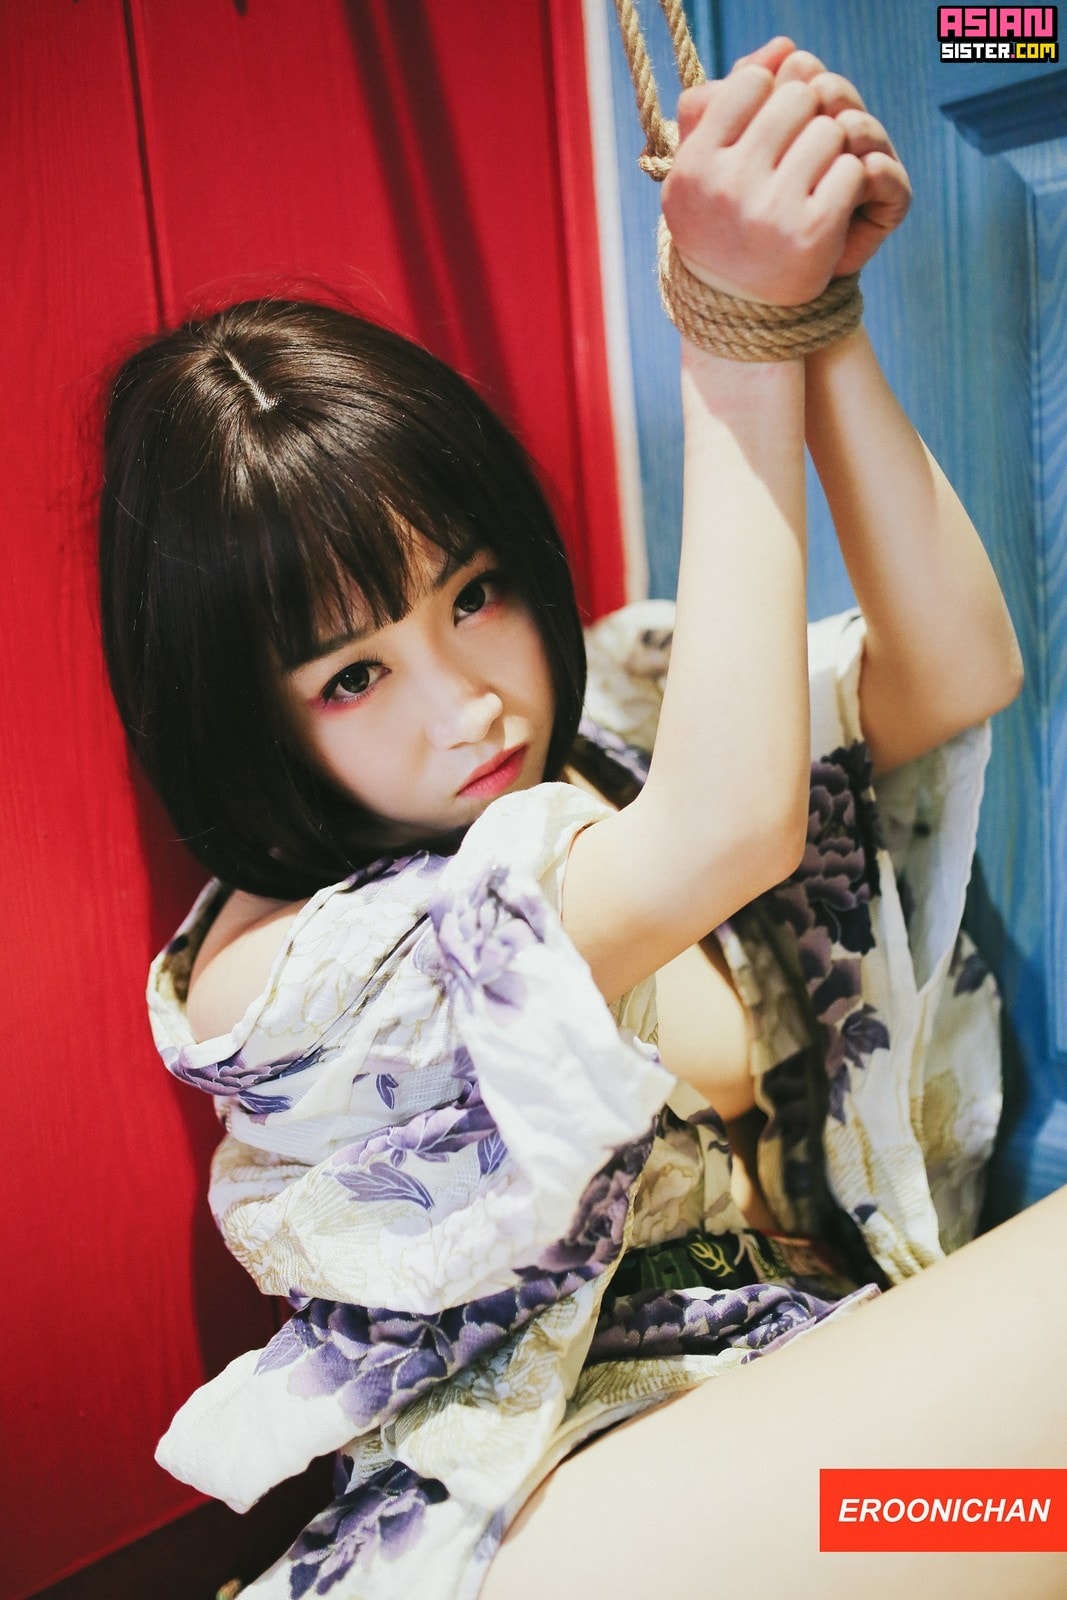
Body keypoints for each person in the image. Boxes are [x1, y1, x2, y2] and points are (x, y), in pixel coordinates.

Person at [97, 37, 1065, 1600]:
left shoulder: (617, 735)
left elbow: (954, 669)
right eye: (354, 676)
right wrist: (726, 323)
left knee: (1038, 1521)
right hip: (558, 1529)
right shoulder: (282, 981)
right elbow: (727, 831)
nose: (465, 702)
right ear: (240, 725)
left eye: (474, 593)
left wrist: (815, 319)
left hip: (794, 1469)